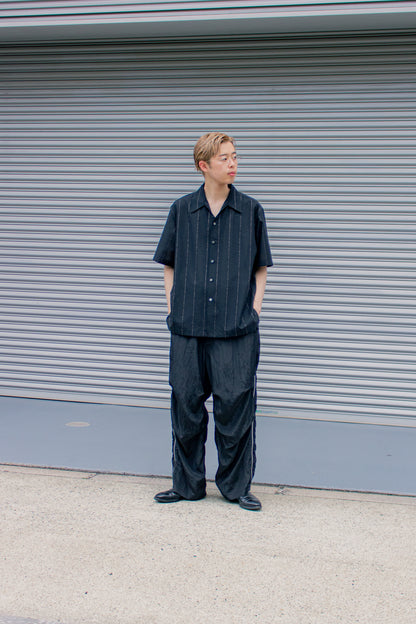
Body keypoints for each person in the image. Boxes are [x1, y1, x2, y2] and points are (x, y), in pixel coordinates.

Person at [153, 132, 273, 511]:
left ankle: (236, 488)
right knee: (186, 410)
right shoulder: (182, 210)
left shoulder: (250, 211)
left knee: (236, 412)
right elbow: (169, 264)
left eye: (235, 156)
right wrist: (173, 308)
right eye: (224, 158)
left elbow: (261, 268)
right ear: (203, 165)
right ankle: (186, 486)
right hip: (187, 330)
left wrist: (254, 311)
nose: (233, 163)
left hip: (236, 332)